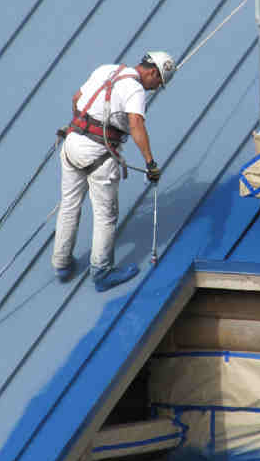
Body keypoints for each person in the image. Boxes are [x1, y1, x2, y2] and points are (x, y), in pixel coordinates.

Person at [52, 51, 175, 292]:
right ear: (152, 72)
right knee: (105, 215)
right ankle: (102, 272)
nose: (155, 88)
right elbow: (136, 124)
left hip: (72, 143)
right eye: (158, 83)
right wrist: (150, 163)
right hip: (99, 153)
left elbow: (77, 98)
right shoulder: (135, 91)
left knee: (69, 204)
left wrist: (79, 124)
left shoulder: (106, 70)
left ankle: (62, 264)